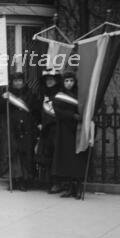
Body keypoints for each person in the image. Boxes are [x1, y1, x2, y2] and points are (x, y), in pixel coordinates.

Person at [0, 72, 38, 191]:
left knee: (25, 154)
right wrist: (3, 99)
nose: (18, 83)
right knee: (13, 154)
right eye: (15, 81)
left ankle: (24, 179)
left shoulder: (30, 94)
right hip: (11, 127)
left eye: (20, 81)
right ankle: (13, 179)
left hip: (26, 128)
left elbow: (35, 111)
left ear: (23, 82)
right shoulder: (7, 94)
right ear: (12, 82)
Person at [51, 71, 86, 199]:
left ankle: (78, 188)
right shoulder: (59, 96)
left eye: (71, 81)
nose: (69, 83)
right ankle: (70, 188)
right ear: (63, 82)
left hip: (77, 129)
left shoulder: (79, 95)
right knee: (67, 159)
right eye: (66, 81)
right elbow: (58, 111)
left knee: (77, 159)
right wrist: (72, 115)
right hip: (64, 130)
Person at [35, 70, 62, 193]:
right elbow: (36, 111)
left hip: (57, 129)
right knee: (47, 156)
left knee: (57, 156)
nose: (49, 81)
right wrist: (39, 123)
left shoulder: (60, 94)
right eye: (47, 79)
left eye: (52, 79)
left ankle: (57, 183)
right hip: (45, 130)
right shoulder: (42, 95)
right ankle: (48, 182)